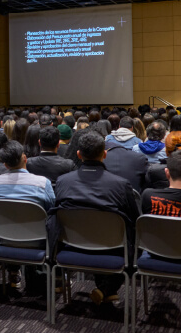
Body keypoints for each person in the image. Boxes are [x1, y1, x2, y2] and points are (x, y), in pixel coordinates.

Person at [51, 131, 140, 305]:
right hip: (111, 246)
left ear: (78, 154)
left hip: (71, 245)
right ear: (105, 154)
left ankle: (106, 289)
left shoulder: (63, 181)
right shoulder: (120, 185)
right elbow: (135, 220)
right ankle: (108, 288)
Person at [0, 140, 55, 288]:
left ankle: (13, 271)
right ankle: (55, 277)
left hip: (3, 240)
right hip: (37, 242)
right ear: (25, 158)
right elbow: (51, 211)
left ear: (5, 165)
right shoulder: (42, 183)